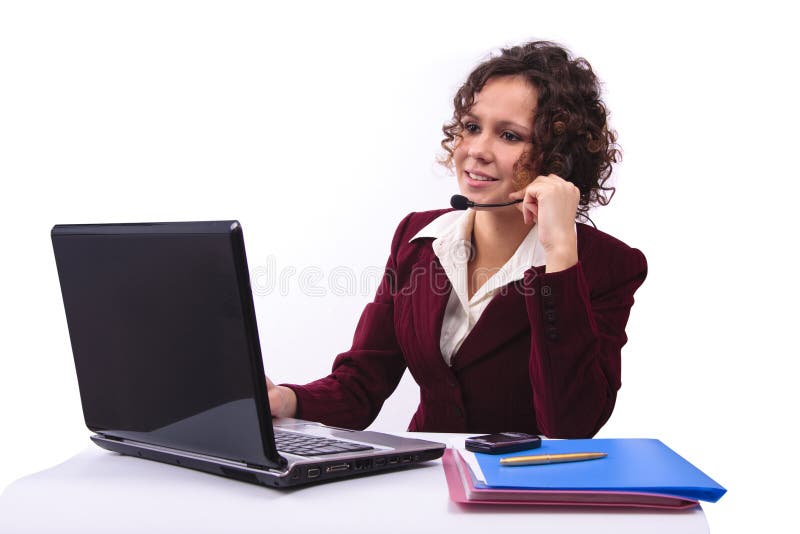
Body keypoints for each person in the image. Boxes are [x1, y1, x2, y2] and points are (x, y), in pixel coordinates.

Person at [266, 41, 647, 439]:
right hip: (428, 482)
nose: (477, 151)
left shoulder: (606, 265)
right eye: (471, 127)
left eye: (510, 136)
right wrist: (285, 399)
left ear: (558, 157)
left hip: (528, 490)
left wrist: (560, 255)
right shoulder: (415, 239)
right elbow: (361, 384)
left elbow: (572, 424)